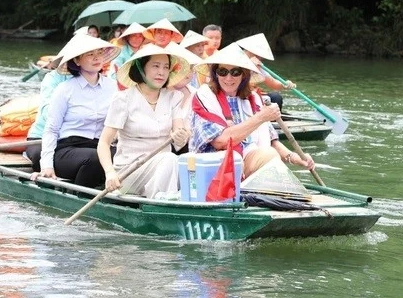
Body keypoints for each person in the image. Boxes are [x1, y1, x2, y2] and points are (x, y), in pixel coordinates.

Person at [189, 43, 314, 178]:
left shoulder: (254, 99)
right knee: (263, 157)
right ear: (216, 74)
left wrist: (294, 157)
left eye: (235, 72)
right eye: (223, 72)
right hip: (213, 167)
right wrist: (260, 117)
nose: (228, 78)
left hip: (247, 161)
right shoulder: (204, 96)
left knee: (270, 155)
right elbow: (220, 141)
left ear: (244, 75)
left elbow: (272, 142)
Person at [97, 44, 194, 198]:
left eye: (165, 67)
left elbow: (179, 136)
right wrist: (109, 173)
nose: (161, 72)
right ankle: (164, 201)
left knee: (176, 160)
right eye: (155, 66)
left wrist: (182, 136)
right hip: (129, 172)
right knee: (169, 159)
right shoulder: (123, 99)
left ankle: (164, 199)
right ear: (141, 69)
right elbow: (104, 142)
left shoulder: (174, 97)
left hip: (164, 169)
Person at [31, 35, 120, 187]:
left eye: (99, 53)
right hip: (68, 148)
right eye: (90, 54)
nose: (96, 58)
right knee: (95, 159)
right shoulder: (65, 89)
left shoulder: (112, 87)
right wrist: (47, 165)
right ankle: (78, 197)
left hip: (100, 146)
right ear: (77, 61)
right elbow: (51, 130)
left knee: (123, 158)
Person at [24, 51, 70, 171]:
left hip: (75, 138)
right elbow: (47, 113)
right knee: (39, 155)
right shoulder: (52, 78)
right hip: (42, 136)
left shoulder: (95, 80)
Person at [236, 33, 296, 111]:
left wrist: (284, 84)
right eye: (256, 53)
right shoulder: (236, 61)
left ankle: (273, 120)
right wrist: (248, 69)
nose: (259, 57)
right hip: (237, 94)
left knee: (276, 97)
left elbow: (273, 83)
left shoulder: (258, 64)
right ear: (248, 50)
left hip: (251, 93)